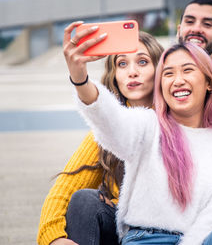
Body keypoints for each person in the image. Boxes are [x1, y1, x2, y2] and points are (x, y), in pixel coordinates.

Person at [63, 21, 212, 245]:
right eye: (168, 74)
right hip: (145, 239)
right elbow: (111, 121)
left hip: (200, 239)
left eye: (187, 70)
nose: (178, 80)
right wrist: (80, 79)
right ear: (161, 86)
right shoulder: (148, 125)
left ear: (208, 82)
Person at [37, 31, 164, 245]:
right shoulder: (105, 130)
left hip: (166, 233)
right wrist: (54, 238)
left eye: (142, 62)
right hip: (121, 233)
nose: (132, 72)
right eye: (122, 64)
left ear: (160, 69)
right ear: (114, 74)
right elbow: (65, 188)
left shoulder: (180, 119)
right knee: (85, 200)